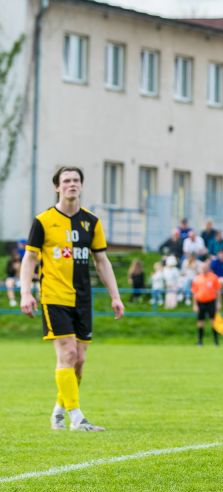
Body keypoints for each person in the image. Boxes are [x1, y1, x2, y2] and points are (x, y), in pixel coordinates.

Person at [19, 166, 125, 432]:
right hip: (54, 296)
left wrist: (115, 296)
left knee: (78, 362)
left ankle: (58, 411)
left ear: (81, 185)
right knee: (66, 353)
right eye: (66, 180)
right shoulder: (43, 221)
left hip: (83, 298)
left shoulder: (92, 222)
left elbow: (101, 260)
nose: (71, 184)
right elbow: (30, 258)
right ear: (57, 187)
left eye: (76, 180)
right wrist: (25, 292)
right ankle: (77, 418)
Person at [192, 261, 222, 346]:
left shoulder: (213, 277)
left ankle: (216, 342)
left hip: (210, 302)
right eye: (202, 268)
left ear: (208, 268)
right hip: (200, 302)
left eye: (205, 267)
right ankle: (200, 341)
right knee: (200, 322)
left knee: (213, 321)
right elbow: (194, 292)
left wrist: (219, 302)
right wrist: (194, 304)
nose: (204, 269)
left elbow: (218, 291)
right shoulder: (197, 278)